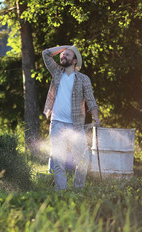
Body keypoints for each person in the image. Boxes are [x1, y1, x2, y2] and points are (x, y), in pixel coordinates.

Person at [42, 45, 100, 191]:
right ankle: (61, 192)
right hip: (56, 124)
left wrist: (96, 118)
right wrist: (66, 47)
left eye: (67, 55)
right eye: (62, 55)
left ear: (75, 61)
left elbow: (91, 100)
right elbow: (46, 54)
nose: (63, 56)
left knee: (82, 160)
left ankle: (77, 190)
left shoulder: (83, 79)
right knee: (58, 161)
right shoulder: (56, 72)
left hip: (76, 126)